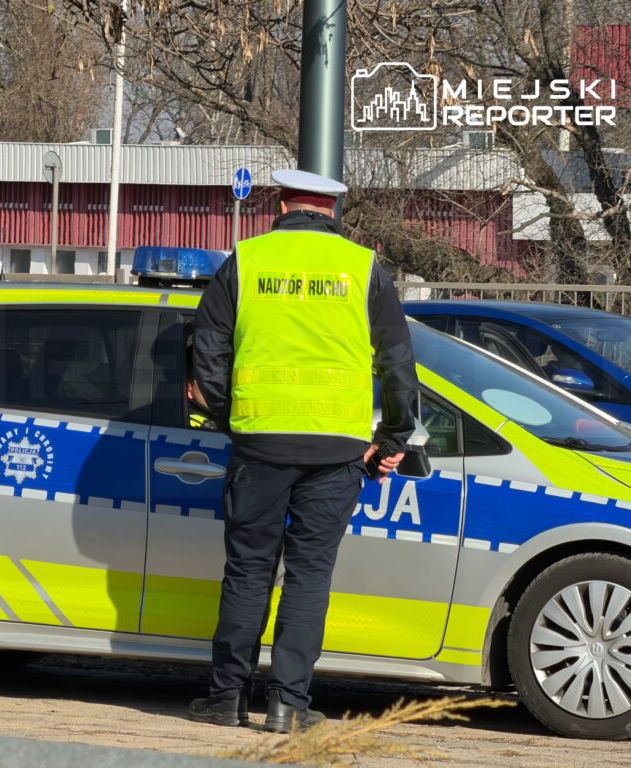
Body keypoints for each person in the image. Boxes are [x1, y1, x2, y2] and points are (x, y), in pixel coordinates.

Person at [188, 169, 418, 733]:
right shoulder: (364, 269)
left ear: (283, 204)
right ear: (332, 211)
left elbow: (207, 352)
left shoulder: (245, 260)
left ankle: (226, 699)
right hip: (338, 451)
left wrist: (225, 416)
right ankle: (288, 704)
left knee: (248, 572)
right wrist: (392, 437)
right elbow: (396, 362)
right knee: (309, 576)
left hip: (258, 442)